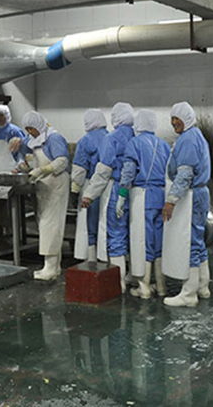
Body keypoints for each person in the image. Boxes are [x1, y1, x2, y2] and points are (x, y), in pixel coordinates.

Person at [161, 102, 211, 307]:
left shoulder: (188, 139)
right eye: (172, 118)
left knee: (190, 241)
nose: (174, 122)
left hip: (191, 195)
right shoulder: (196, 135)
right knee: (198, 240)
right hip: (200, 193)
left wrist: (171, 200)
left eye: (177, 118)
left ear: (187, 118)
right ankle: (202, 286)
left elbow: (184, 174)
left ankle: (189, 293)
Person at [11, 111, 71, 281]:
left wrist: (43, 170)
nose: (30, 132)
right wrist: (22, 162)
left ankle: (50, 268)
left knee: (50, 224)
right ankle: (54, 266)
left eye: (31, 129)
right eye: (27, 129)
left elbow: (62, 161)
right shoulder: (33, 140)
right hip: (44, 185)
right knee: (46, 223)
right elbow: (27, 156)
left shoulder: (54, 138)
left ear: (39, 125)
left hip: (56, 183)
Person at [80, 103, 134, 292]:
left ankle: (119, 282)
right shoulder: (137, 136)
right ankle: (134, 275)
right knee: (132, 233)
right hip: (135, 192)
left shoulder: (111, 139)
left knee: (116, 234)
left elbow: (103, 172)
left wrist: (89, 195)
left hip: (116, 189)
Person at [118, 109, 171, 299]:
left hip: (143, 197)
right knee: (159, 242)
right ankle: (162, 286)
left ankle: (144, 286)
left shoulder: (135, 143)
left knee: (143, 241)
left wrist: (122, 195)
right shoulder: (163, 144)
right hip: (162, 196)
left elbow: (129, 171)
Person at [70, 109, 108, 261]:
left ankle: (91, 260)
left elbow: (80, 168)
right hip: (108, 185)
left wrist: (74, 190)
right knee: (105, 223)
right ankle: (105, 259)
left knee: (89, 224)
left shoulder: (86, 140)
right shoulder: (111, 137)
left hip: (90, 184)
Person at [0, 104, 25, 172]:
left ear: (7, 116)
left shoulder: (15, 131)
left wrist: (20, 164)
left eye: (1, 115)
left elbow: (22, 151)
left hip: (12, 170)